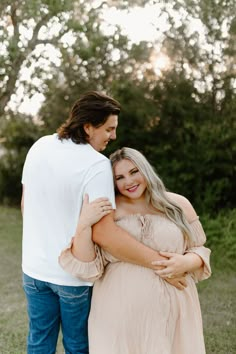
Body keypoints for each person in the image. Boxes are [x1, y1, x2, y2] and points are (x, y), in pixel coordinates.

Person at [21, 91, 185, 354]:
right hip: (73, 277)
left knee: (39, 341)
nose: (113, 136)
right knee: (78, 346)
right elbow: (105, 234)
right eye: (109, 129)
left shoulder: (40, 145)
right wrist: (161, 263)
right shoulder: (96, 165)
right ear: (88, 127)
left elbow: (25, 205)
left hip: (32, 270)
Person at [59, 147, 211, 354]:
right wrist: (84, 223)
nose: (128, 182)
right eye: (119, 177)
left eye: (133, 172)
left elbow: (198, 248)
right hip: (118, 313)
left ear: (145, 170)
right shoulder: (108, 211)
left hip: (175, 309)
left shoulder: (178, 204)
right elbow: (87, 265)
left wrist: (188, 262)